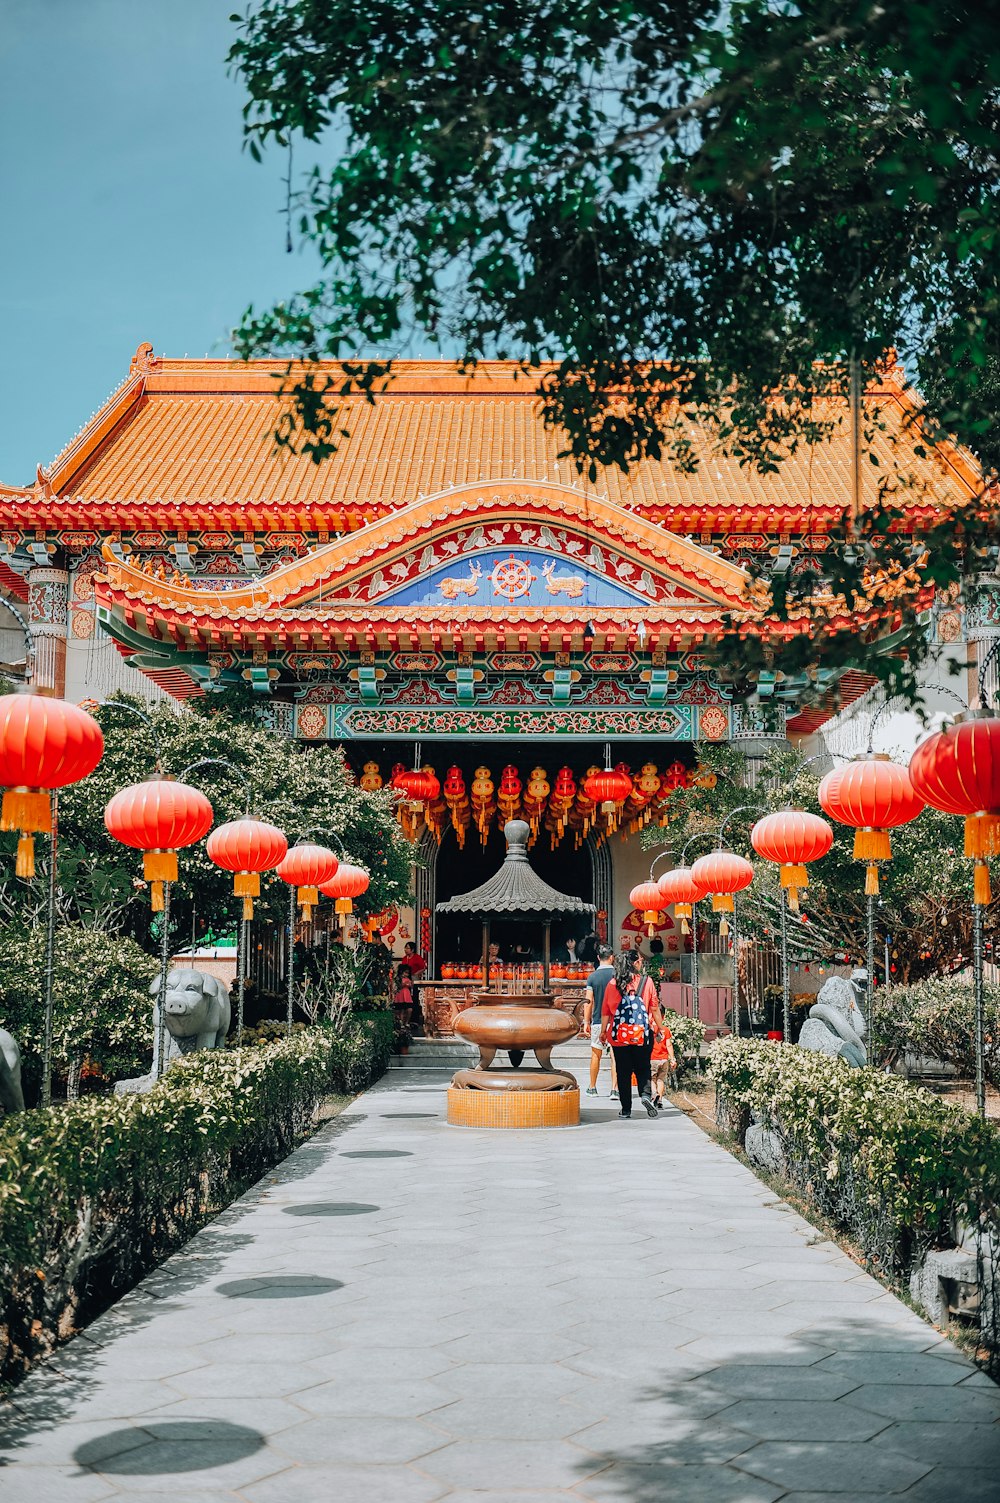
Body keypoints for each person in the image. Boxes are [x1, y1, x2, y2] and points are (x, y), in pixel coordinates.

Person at [600, 951, 664, 1120]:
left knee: (623, 1071)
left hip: (619, 1035)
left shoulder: (613, 984)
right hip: (642, 1034)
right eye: (641, 960)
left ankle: (626, 1109)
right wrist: (661, 1027)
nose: (642, 963)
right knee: (643, 1067)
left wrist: (602, 1032)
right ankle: (645, 1095)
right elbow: (655, 1008)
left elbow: (606, 1011)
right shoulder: (646, 982)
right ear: (635, 963)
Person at [583, 945, 618, 1100]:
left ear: (598, 958)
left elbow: (588, 1001)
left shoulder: (592, 977)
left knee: (595, 1054)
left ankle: (592, 1087)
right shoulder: (617, 975)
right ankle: (614, 1089)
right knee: (615, 1056)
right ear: (612, 957)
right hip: (616, 1021)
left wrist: (586, 1021)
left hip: (597, 1020)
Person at [649, 1017, 676, 1107]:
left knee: (652, 1078)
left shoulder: (650, 1030)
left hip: (652, 1058)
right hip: (664, 1059)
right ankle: (660, 1100)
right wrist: (672, 1059)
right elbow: (669, 1044)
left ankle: (654, 1093)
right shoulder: (666, 1030)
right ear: (664, 1017)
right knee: (660, 1080)